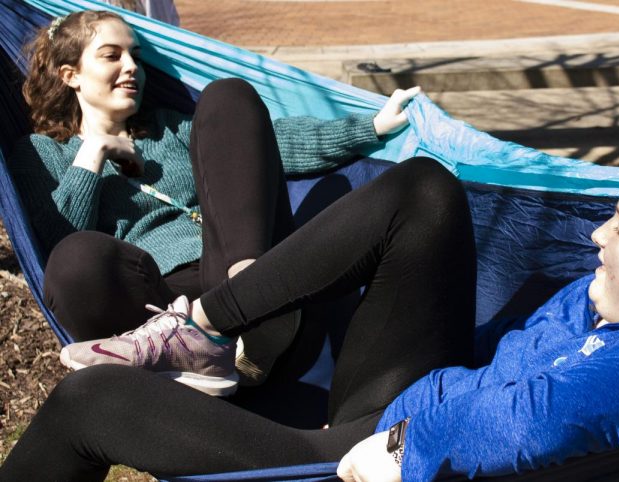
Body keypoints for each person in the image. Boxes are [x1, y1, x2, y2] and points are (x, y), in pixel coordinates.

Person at [0, 150, 619, 481]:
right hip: (402, 401)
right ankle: (210, 325)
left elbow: (538, 419)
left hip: (358, 467)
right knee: (423, 189)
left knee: (90, 401)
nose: (595, 234)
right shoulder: (613, 302)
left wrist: (406, 447)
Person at [8, 10, 420, 387]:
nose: (132, 67)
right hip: (154, 310)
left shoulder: (170, 130)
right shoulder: (41, 154)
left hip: (231, 267)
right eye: (111, 56)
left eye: (135, 56)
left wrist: (372, 126)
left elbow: (269, 144)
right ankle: (194, 352)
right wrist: (93, 152)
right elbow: (55, 238)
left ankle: (251, 301)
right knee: (75, 257)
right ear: (70, 75)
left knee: (228, 96)